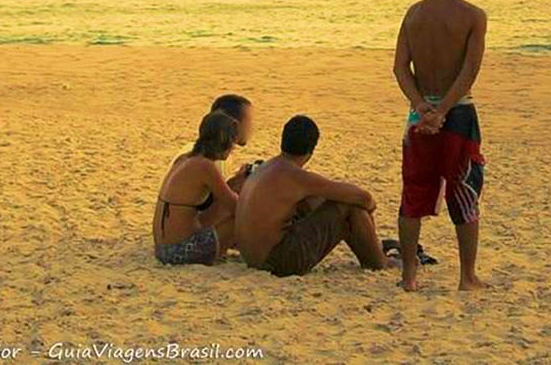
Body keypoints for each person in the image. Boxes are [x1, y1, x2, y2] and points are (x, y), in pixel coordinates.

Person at [392, 0, 489, 291]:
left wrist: (422, 107)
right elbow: (469, 70)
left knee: (413, 193)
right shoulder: (473, 16)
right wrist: (444, 110)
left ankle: (408, 276)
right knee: (464, 192)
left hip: (418, 117)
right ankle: (467, 276)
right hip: (458, 113)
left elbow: (400, 67)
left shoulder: (414, 14)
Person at [235, 115, 389, 277]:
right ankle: (379, 261)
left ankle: (373, 252)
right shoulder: (296, 176)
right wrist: (369, 210)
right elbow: (363, 198)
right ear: (311, 150)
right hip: (275, 262)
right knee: (350, 206)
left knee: (314, 201)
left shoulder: (266, 167)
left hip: (251, 258)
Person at [153, 110, 241, 265]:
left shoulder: (185, 159)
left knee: (230, 200)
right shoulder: (205, 167)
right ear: (225, 141)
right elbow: (235, 206)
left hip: (161, 248)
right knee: (239, 219)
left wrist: (239, 179)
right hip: (178, 252)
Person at [170, 94, 259, 194]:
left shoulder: (191, 152)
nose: (251, 128)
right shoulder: (209, 162)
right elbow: (229, 204)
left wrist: (235, 181)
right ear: (233, 125)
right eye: (249, 122)